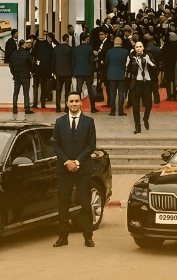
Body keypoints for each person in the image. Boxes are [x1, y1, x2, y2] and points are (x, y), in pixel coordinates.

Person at [50, 93, 97, 248]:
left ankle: (88, 237)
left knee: (85, 204)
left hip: (83, 169)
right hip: (64, 169)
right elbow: (55, 143)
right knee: (63, 203)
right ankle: (63, 237)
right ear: (67, 104)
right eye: (71, 101)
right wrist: (66, 161)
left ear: (81, 103)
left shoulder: (89, 122)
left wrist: (77, 161)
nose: (74, 103)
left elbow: (91, 145)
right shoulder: (59, 122)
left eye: (77, 101)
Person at [126, 41, 156, 134]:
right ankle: (137, 126)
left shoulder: (147, 56)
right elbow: (127, 68)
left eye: (140, 46)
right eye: (137, 47)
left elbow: (154, 66)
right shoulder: (131, 57)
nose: (138, 48)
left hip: (146, 82)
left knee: (148, 105)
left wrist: (148, 61)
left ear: (143, 48)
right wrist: (132, 61)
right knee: (135, 107)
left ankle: (145, 118)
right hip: (135, 83)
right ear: (134, 48)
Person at [71, 32, 97, 113]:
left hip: (78, 71)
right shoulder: (89, 48)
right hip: (88, 71)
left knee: (78, 90)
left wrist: (73, 70)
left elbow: (73, 61)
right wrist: (94, 70)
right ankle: (93, 108)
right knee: (90, 89)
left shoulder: (75, 49)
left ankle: (77, 108)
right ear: (86, 39)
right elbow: (92, 61)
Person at [9, 39, 34, 115]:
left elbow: (11, 65)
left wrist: (14, 73)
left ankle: (14, 109)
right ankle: (27, 109)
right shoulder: (27, 54)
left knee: (16, 92)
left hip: (17, 76)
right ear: (23, 45)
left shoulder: (13, 54)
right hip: (25, 76)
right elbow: (31, 63)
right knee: (26, 93)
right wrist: (31, 72)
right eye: (26, 43)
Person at [105, 36, 129, 117]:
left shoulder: (109, 51)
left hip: (111, 75)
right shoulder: (125, 51)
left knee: (112, 93)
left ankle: (112, 111)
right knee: (121, 93)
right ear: (121, 43)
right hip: (122, 75)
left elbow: (106, 63)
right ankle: (120, 111)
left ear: (114, 43)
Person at [53, 34, 74, 112]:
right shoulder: (70, 49)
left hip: (58, 72)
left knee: (58, 91)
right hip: (68, 73)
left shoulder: (56, 48)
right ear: (67, 39)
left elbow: (53, 61)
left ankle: (58, 107)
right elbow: (72, 61)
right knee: (67, 91)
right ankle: (66, 107)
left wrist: (53, 71)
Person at [32, 34, 54, 109]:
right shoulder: (50, 47)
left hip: (37, 69)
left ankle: (35, 103)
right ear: (49, 38)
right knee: (44, 87)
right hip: (45, 71)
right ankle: (42, 104)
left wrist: (34, 67)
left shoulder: (38, 44)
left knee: (36, 87)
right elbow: (51, 60)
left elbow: (33, 54)